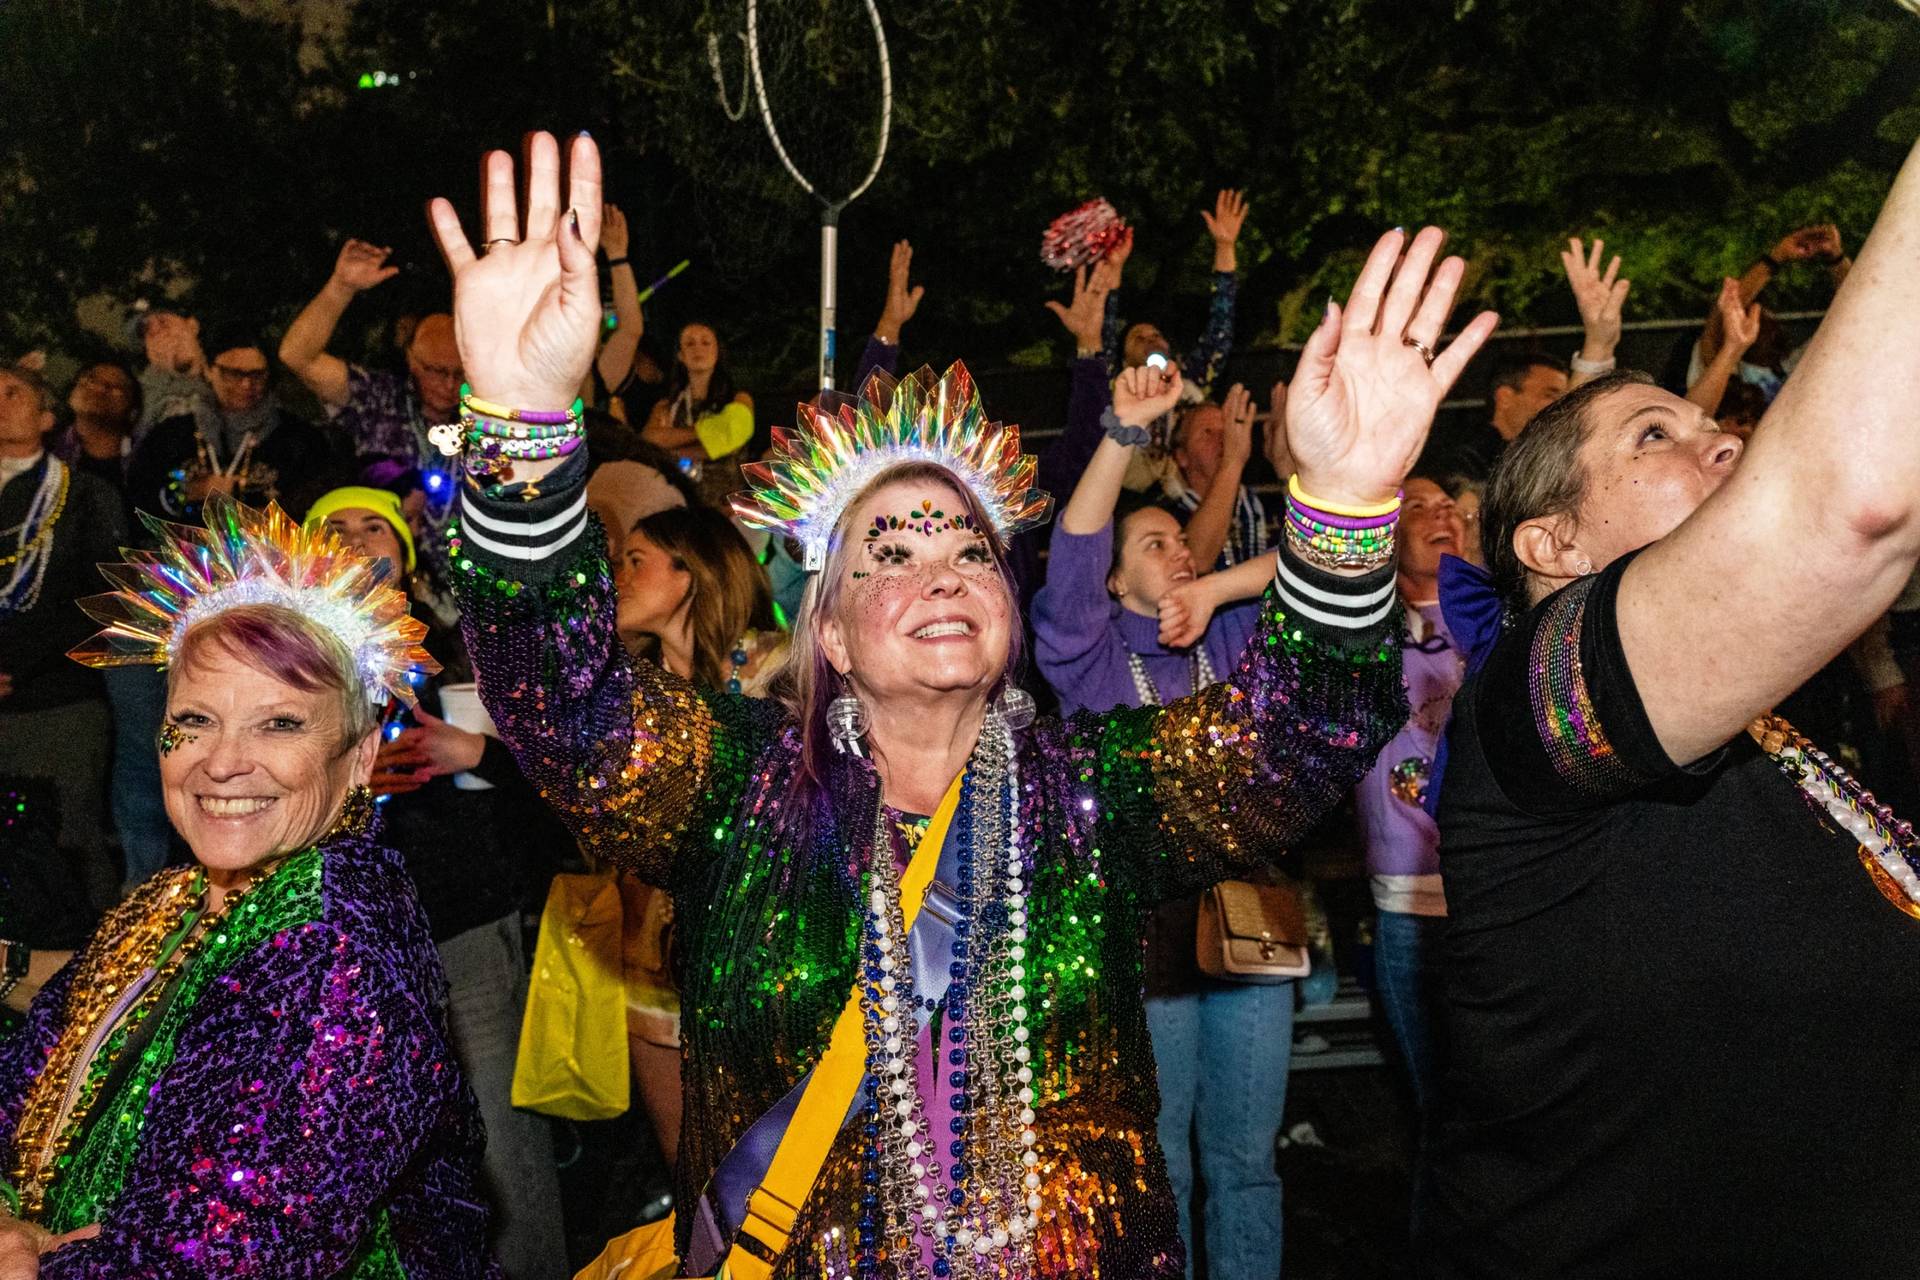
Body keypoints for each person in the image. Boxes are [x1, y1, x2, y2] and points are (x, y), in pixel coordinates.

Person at [422, 132, 1493, 1277]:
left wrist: (1344, 499)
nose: (938, 567)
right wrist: (528, 431)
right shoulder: (736, 787)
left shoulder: (1092, 793)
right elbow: (563, 701)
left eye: (969, 548)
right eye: (889, 549)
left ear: (1010, 610)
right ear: (827, 629)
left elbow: (1303, 729)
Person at [1420, 141, 1920, 1276]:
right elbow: (1850, 507)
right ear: (1549, 544)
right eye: (1659, 435)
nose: (1727, 437)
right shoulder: (1527, 712)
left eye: (1712, 426)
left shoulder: (1771, 738)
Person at [5, 495, 500, 1277]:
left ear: (361, 758)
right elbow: (27, 1075)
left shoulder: (338, 951)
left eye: (280, 724)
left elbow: (235, 1249)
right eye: (194, 720)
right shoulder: (162, 900)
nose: (222, 761)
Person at [1029, 369, 1285, 1279]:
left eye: (1182, 541)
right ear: (1113, 579)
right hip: (1144, 941)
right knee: (1161, 1159)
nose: (1176, 551)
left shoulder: (1224, 636)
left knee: (1247, 1163)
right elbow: (1073, 543)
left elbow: (1322, 566)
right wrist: (1124, 435)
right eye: (1153, 543)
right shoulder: (1089, 659)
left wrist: (1214, 591)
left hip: (1249, 923)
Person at [308, 487, 569, 1280]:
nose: (356, 541)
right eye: (336, 529)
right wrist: (343, 788)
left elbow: (562, 779)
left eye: (373, 527)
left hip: (464, 924)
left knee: (503, 1143)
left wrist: (476, 753)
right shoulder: (293, 663)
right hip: (343, 945)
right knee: (373, 1150)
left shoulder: (463, 652)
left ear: (405, 549)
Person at [609, 504, 787, 1175]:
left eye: (636, 561)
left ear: (692, 574)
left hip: (766, 966)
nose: (617, 576)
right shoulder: (629, 696)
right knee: (694, 1175)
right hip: (652, 965)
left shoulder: (781, 671)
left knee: (778, 1176)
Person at [0, 361, 126, 915]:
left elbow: (101, 602)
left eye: (12, 392)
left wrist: (18, 667)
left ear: (47, 416)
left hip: (57, 702)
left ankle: (89, 973)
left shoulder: (86, 497)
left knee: (68, 840)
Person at [1418, 237, 1627, 481]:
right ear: (1505, 397)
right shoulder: (1463, 465)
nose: (1562, 404)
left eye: (1564, 395)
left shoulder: (1549, 455)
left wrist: (1599, 341)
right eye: (1550, 394)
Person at [1096, 191, 1248, 487]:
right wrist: (1113, 271)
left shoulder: (1189, 384)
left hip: (1196, 484)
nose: (1149, 339)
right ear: (1126, 360)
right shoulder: (1118, 387)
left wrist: (1225, 246)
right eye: (1138, 337)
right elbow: (1102, 335)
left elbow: (1221, 328)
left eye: (1155, 335)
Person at [279, 239, 462, 476]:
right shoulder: (380, 397)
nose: (449, 384)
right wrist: (341, 287)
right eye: (436, 371)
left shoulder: (484, 412)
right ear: (411, 359)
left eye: (459, 373)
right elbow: (297, 356)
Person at [126, 324, 339, 522]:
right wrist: (190, 491)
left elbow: (320, 502)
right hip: (184, 558)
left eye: (257, 375)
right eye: (233, 374)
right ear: (209, 371)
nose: (246, 384)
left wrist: (264, 520)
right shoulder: (171, 435)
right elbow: (139, 497)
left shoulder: (300, 439)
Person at [639, 321, 754, 509]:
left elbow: (730, 434)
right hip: (679, 506)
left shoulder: (738, 399)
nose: (697, 349)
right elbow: (649, 442)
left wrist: (670, 448)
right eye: (690, 344)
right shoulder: (668, 405)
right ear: (680, 355)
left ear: (718, 351)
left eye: (706, 343)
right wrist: (708, 435)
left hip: (726, 510)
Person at [50, 362, 138, 492]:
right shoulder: (43, 450)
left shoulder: (146, 458)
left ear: (132, 410)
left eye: (115, 386)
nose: (99, 388)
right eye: (91, 379)